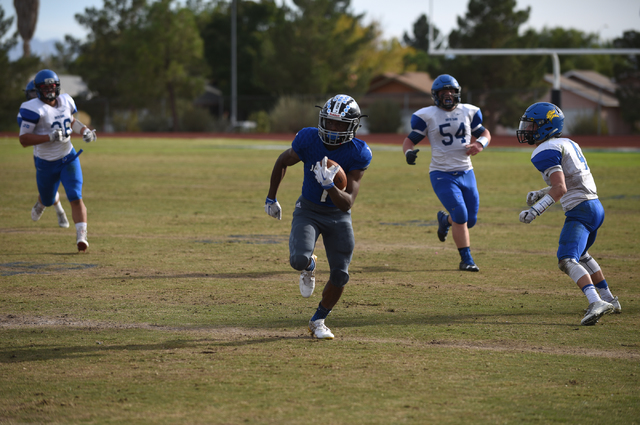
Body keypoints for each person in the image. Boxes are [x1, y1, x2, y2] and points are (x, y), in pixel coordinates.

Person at [265, 94, 372, 340]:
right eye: (330, 122)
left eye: (340, 124)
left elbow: (347, 204)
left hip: (338, 216)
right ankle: (310, 265)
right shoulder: (308, 138)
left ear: (353, 126)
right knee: (298, 260)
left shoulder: (359, 152)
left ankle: (319, 320)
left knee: (340, 275)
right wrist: (271, 197)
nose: (334, 129)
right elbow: (283, 160)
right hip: (309, 210)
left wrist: (330, 186)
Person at [516, 102, 621, 326]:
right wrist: (541, 192)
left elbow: (561, 188)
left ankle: (596, 302)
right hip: (595, 206)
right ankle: (609, 298)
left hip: (580, 210)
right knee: (582, 255)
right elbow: (569, 181)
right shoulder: (568, 143)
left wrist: (534, 211)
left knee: (566, 259)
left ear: (546, 127)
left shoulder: (544, 150)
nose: (527, 130)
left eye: (532, 126)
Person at [402, 74, 491, 272]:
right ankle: (466, 259)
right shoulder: (427, 115)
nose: (448, 95)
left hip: (466, 171)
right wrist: (408, 153)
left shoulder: (469, 111)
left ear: (457, 93)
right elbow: (409, 141)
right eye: (443, 92)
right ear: (436, 95)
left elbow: (485, 133)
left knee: (470, 220)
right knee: (460, 214)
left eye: (451, 91)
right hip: (441, 173)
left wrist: (479, 144)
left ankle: (445, 220)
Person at [18, 69, 97, 252]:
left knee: (75, 196)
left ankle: (81, 236)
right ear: (38, 89)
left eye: (52, 87)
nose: (49, 91)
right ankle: (41, 202)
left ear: (57, 86)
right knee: (47, 198)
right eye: (45, 88)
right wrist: (49, 137)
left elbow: (70, 120)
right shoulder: (32, 108)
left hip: (68, 157)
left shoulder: (66, 100)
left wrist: (84, 130)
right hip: (45, 162)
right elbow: (23, 139)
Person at [18, 79, 70, 229]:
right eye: (32, 92)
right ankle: (57, 209)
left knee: (59, 187)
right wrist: (49, 137)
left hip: (62, 152)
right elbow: (26, 140)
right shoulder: (27, 111)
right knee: (49, 190)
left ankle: (56, 210)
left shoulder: (57, 105)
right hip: (42, 155)